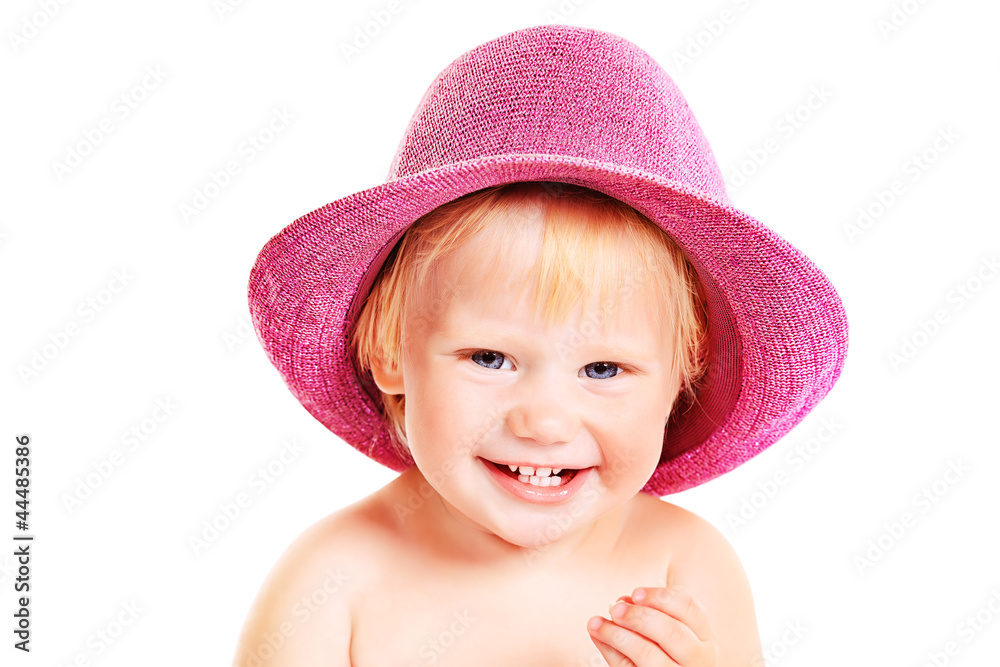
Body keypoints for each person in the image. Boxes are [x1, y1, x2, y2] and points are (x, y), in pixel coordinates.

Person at [235, 24, 848, 667]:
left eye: (603, 368)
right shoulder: (331, 585)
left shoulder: (685, 569)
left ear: (681, 378)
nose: (545, 422)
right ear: (391, 353)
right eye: (490, 358)